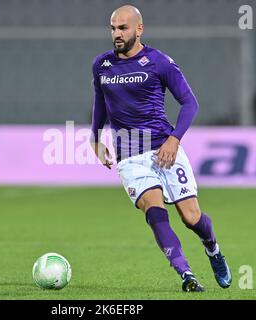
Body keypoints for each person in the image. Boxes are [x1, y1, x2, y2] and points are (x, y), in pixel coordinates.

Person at [90, 5, 232, 292]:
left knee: (191, 218)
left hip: (165, 148)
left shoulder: (159, 62)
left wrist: (174, 139)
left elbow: (190, 104)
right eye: (113, 28)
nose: (116, 34)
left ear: (139, 29)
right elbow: (100, 102)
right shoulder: (101, 65)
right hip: (130, 155)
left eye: (123, 28)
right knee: (154, 212)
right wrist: (95, 138)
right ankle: (187, 275)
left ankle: (213, 248)